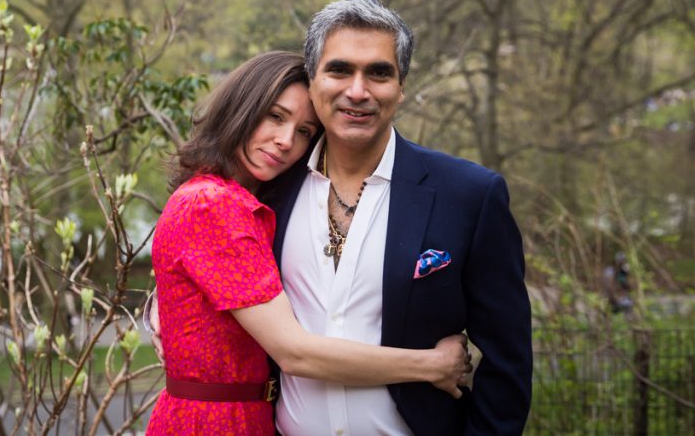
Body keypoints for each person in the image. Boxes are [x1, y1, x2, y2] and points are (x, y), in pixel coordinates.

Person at [146, 51, 472, 436]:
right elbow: (293, 352)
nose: (286, 142)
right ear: (242, 107)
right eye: (276, 116)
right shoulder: (212, 204)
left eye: (304, 131)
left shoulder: (247, 202)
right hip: (213, 424)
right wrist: (431, 365)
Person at [261, 0, 532, 435]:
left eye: (379, 73)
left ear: (401, 87)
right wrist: (161, 308)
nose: (358, 90)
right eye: (340, 69)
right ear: (312, 81)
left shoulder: (469, 195)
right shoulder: (270, 189)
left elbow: (509, 361)